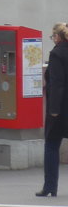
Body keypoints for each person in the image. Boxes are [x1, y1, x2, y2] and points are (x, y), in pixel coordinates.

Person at [38, 22, 68, 197]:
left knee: (51, 144)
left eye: (52, 36)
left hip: (61, 108)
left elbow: (57, 83)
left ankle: (50, 186)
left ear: (57, 37)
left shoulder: (57, 54)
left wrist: (54, 109)